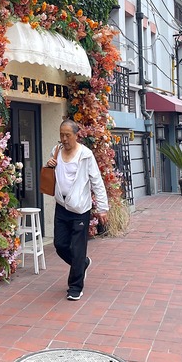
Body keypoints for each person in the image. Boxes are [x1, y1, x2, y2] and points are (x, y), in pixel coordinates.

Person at [46, 119, 109, 301]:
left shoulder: (86, 155)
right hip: (62, 206)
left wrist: (102, 208)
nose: (64, 139)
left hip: (80, 208)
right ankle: (82, 264)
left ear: (76, 135)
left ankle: (75, 286)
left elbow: (96, 181)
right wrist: (49, 164)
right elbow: (52, 175)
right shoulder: (56, 151)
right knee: (60, 245)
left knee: (78, 248)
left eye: (67, 135)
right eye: (61, 135)